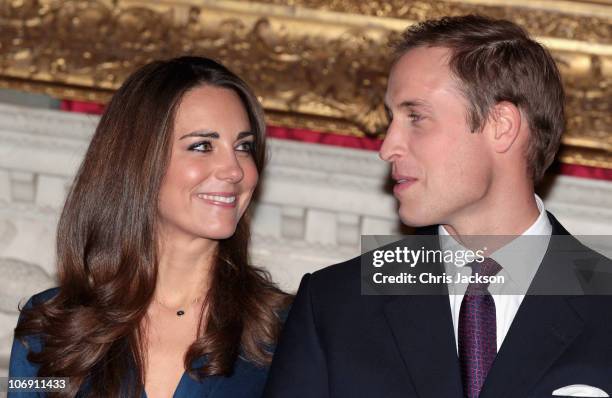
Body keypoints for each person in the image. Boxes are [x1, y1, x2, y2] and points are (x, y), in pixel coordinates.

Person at [264, 15, 612, 398]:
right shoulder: (334, 306)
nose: (387, 147)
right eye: (391, 120)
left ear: (501, 126)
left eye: (416, 117)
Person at [9, 56, 290, 398]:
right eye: (202, 145)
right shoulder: (49, 327)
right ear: (139, 161)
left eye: (244, 147)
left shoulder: (286, 330)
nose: (234, 170)